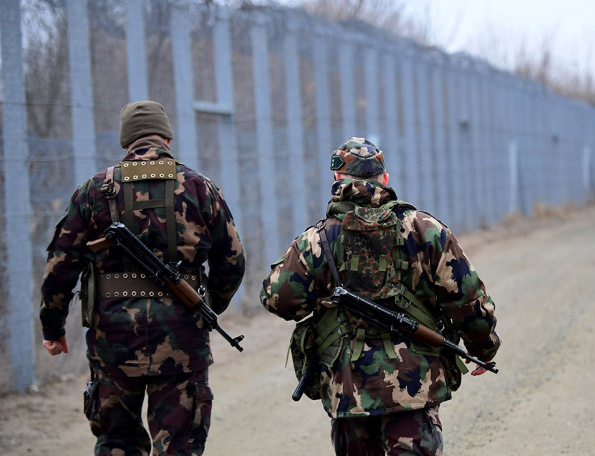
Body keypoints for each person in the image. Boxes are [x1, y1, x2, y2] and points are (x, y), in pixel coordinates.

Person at [260, 136, 501, 455]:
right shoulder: (423, 228)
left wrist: (321, 294)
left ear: (337, 179)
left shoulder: (316, 240)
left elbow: (279, 299)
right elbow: (468, 298)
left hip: (349, 394)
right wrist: (484, 347)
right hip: (413, 390)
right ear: (384, 179)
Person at [40, 101, 246, 455]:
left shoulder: (93, 191)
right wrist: (204, 306)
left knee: (118, 443)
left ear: (126, 142)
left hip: (113, 343)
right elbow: (232, 262)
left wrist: (52, 328)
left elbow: (60, 268)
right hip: (182, 339)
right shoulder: (199, 187)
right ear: (167, 136)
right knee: (179, 447)